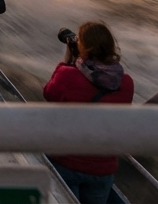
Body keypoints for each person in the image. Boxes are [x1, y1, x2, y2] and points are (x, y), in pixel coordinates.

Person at [43, 22, 135, 204]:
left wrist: (67, 61)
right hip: (103, 168)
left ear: (82, 47)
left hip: (66, 162)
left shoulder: (67, 75)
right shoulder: (126, 83)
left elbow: (49, 93)